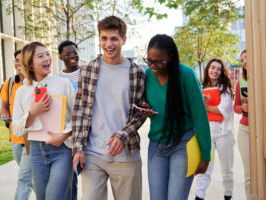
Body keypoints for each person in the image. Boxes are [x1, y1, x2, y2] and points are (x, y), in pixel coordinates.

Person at [72, 16, 147, 200]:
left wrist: (123, 135)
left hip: (126, 156)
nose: (109, 44)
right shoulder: (87, 70)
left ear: (124, 39)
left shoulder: (136, 72)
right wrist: (78, 148)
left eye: (114, 38)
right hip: (93, 154)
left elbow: (141, 112)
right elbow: (80, 111)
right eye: (104, 38)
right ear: (99, 39)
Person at [141, 34, 211, 200]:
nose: (153, 65)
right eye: (149, 60)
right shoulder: (148, 75)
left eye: (158, 61)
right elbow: (146, 101)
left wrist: (205, 154)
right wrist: (146, 109)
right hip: (156, 145)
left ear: (171, 57)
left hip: (183, 144)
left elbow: (200, 116)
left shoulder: (186, 75)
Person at [12, 42, 76, 200]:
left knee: (54, 197)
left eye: (47, 54)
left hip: (62, 150)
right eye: (40, 56)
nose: (47, 58)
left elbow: (79, 117)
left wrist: (64, 135)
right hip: (35, 151)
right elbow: (17, 129)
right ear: (30, 64)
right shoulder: (22, 92)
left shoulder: (63, 84)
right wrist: (32, 113)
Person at [195, 58, 234, 200]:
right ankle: (199, 196)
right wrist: (203, 104)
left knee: (227, 169)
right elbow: (195, 110)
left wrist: (203, 104)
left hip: (224, 133)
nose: (215, 71)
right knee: (204, 167)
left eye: (218, 69)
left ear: (221, 72)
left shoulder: (226, 88)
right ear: (208, 69)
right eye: (212, 67)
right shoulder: (201, 87)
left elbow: (223, 109)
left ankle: (228, 195)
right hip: (207, 133)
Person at [0, 50, 33, 200]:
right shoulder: (10, 83)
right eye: (16, 60)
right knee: (29, 176)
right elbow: (4, 105)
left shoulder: (35, 83)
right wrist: (4, 114)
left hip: (31, 139)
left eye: (21, 60)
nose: (18, 63)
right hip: (15, 137)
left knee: (24, 178)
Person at [55, 40, 80, 200]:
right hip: (67, 134)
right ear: (61, 57)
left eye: (74, 52)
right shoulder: (57, 79)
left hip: (85, 131)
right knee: (70, 178)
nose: (72, 56)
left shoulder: (87, 72)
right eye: (67, 54)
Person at [234, 49, 250, 200]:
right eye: (242, 59)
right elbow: (235, 107)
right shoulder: (241, 81)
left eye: (247, 57)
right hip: (244, 130)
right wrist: (243, 108)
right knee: (249, 173)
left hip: (262, 130)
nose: (244, 61)